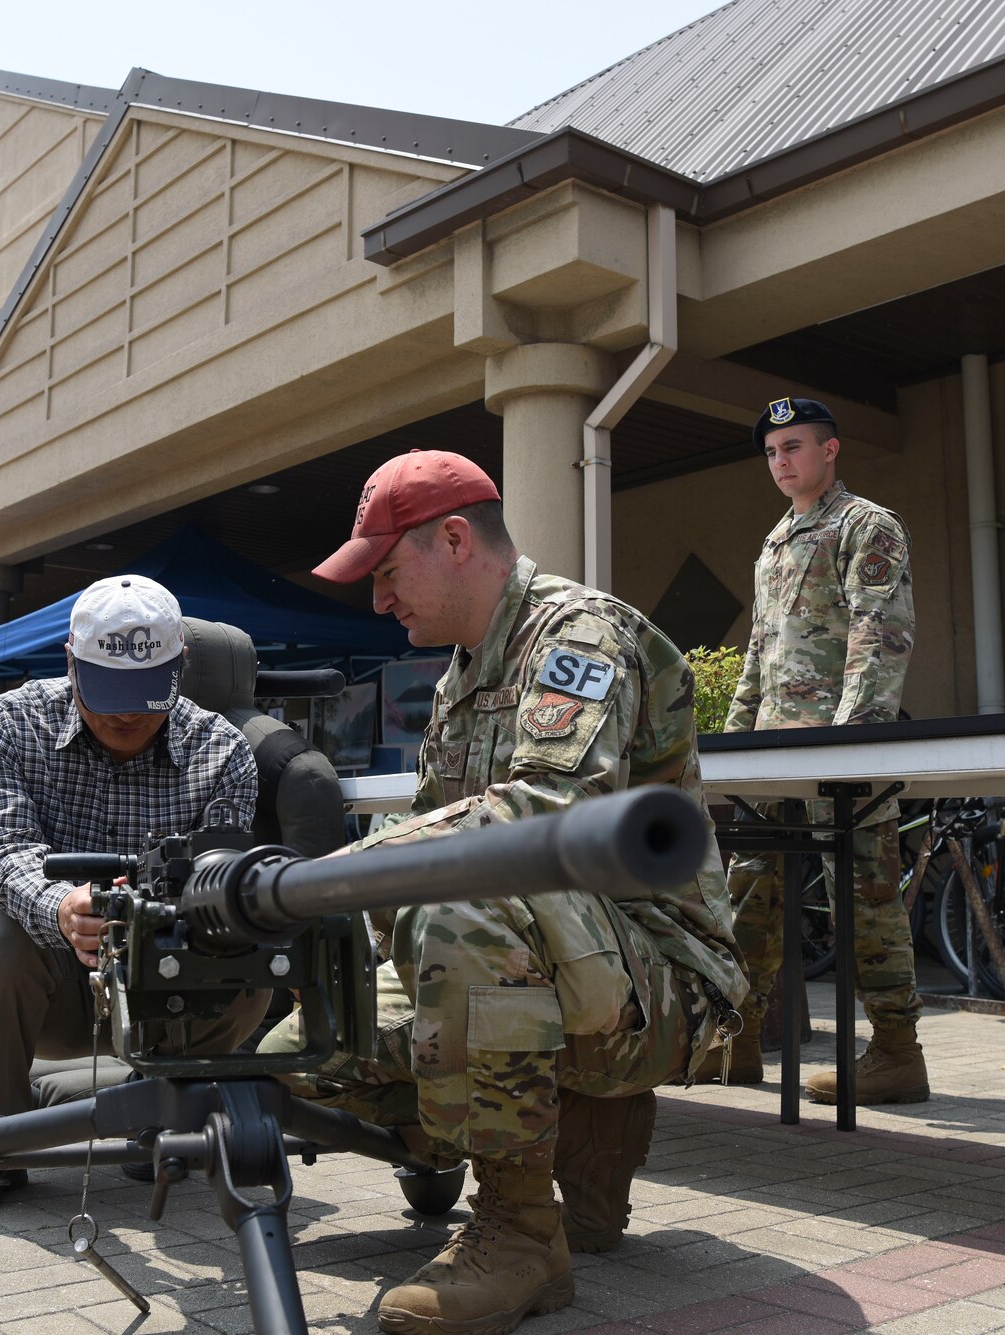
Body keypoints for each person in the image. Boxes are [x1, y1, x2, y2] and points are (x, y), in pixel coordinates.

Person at [282, 450, 747, 1335]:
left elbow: (545, 817)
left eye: (387, 572)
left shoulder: (580, 634)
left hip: (665, 981)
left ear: (455, 538)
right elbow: (426, 843)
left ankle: (520, 1225)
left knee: (462, 904)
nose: (378, 600)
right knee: (301, 1041)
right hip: (567, 969)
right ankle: (571, 1129)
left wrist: (320, 881)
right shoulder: (462, 677)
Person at [0, 575, 265, 1213]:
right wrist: (60, 908)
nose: (124, 714)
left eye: (144, 695)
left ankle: (159, 1107)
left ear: (179, 667)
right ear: (71, 663)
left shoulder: (222, 751)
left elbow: (219, 878)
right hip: (47, 981)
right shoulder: (3, 725)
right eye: (105, 691)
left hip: (165, 979)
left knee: (249, 976)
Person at [711, 397, 924, 1103]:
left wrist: (850, 740)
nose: (781, 462)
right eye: (772, 452)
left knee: (863, 900)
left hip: (838, 754)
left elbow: (878, 633)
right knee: (750, 896)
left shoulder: (867, 526)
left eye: (794, 447)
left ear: (830, 450)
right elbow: (760, 655)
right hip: (776, 758)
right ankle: (738, 1042)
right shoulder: (774, 542)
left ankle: (896, 1052)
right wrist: (736, 748)